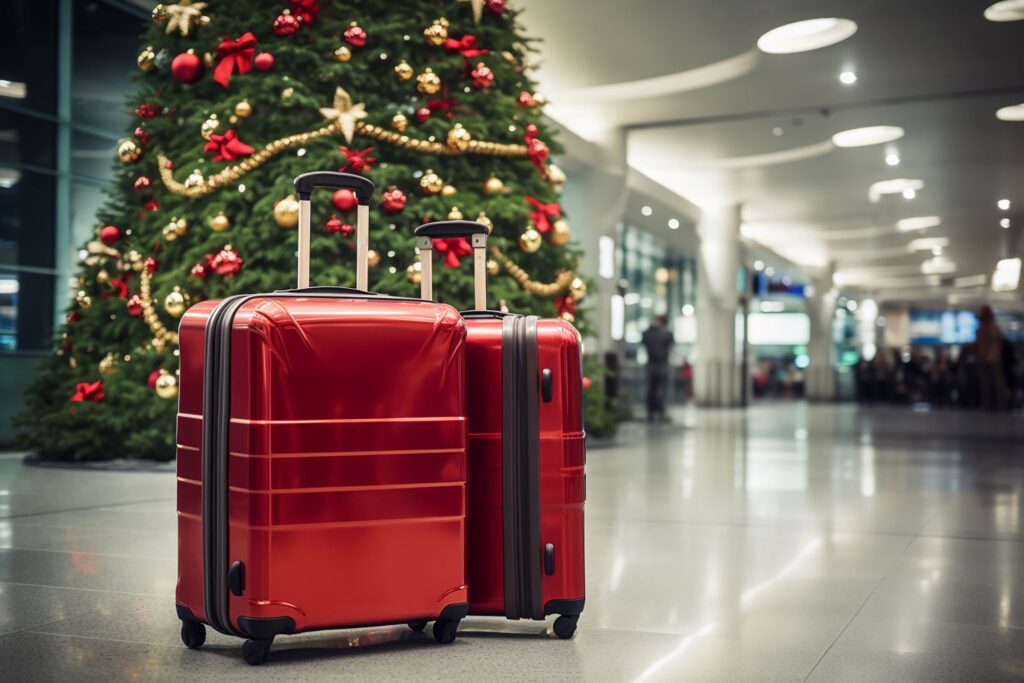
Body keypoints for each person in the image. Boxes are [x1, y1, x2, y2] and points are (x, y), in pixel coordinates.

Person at [641, 314, 674, 421]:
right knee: (661, 390)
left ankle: (652, 412)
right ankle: (660, 411)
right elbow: (670, 345)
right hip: (662, 364)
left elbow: (644, 342)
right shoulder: (667, 334)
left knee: (652, 389)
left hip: (651, 364)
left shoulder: (648, 333)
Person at [976, 305, 1006, 411]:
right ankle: (989, 405)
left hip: (992, 359)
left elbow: (995, 344)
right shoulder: (982, 328)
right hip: (985, 359)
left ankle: (998, 405)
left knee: (996, 384)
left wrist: (992, 356)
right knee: (986, 384)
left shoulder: (992, 328)